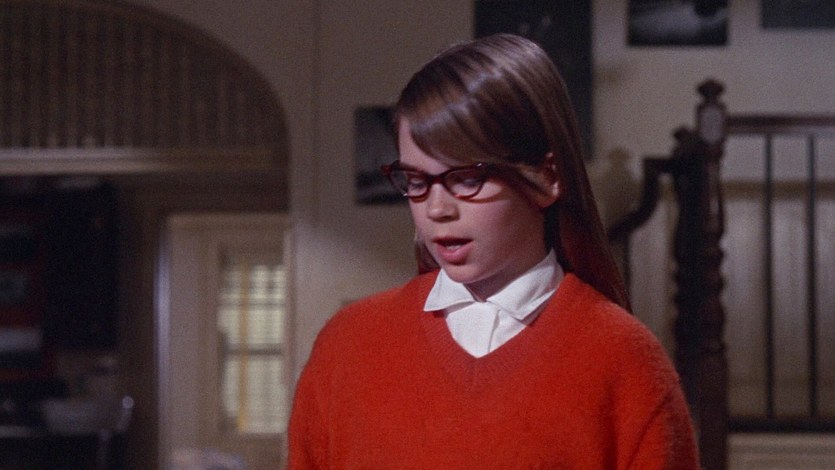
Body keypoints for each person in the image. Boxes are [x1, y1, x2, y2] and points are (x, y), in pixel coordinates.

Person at [288, 33, 699, 469]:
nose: (437, 209)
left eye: (468, 178)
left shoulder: (625, 363)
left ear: (547, 177)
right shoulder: (347, 347)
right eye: (417, 181)